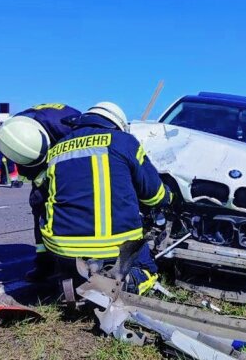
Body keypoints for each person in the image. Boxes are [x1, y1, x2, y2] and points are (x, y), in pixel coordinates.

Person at [41, 102, 172, 295]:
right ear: (116, 124)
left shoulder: (57, 149)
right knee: (148, 269)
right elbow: (154, 195)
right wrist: (169, 197)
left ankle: (71, 279)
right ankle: (128, 283)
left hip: (62, 250)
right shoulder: (124, 141)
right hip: (113, 249)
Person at [0, 103, 82, 283]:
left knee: (72, 202)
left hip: (73, 157)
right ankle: (45, 263)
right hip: (38, 150)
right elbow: (28, 169)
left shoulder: (69, 126)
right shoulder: (14, 135)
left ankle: (78, 254)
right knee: (39, 203)